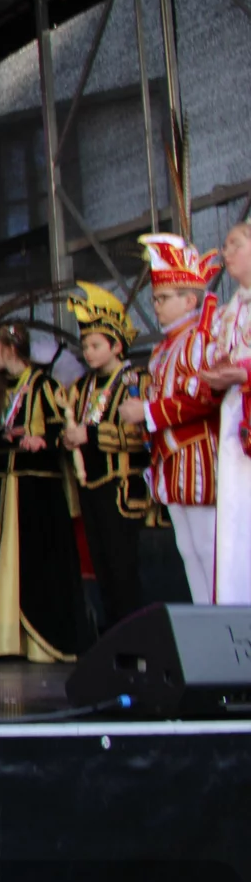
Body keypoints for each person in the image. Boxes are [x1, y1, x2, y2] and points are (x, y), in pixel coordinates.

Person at [0, 322, 87, 661]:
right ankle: (4, 638)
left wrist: (42, 440)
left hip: (38, 493)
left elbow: (63, 431)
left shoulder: (44, 385)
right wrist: (3, 436)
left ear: (10, 348)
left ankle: (41, 642)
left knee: (38, 569)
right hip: (2, 489)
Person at [119, 233, 222, 602]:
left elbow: (203, 398)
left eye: (163, 298)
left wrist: (146, 412)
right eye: (155, 299)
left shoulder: (200, 338)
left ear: (189, 300)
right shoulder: (163, 348)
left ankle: (228, 627)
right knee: (189, 552)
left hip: (198, 460)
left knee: (210, 551)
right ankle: (207, 626)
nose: (156, 306)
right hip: (171, 461)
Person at [61, 283, 151, 631]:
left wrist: (92, 435)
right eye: (85, 346)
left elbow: (141, 435)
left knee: (124, 571)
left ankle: (136, 642)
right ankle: (114, 643)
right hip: (90, 489)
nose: (88, 352)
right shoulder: (81, 387)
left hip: (121, 489)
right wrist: (68, 438)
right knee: (101, 571)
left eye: (96, 345)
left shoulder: (135, 380)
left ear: (117, 345)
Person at [202, 221, 251, 606]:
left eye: (235, 244)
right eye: (224, 245)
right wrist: (216, 375)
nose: (225, 252)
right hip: (235, 417)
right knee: (235, 523)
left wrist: (244, 372)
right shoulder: (228, 311)